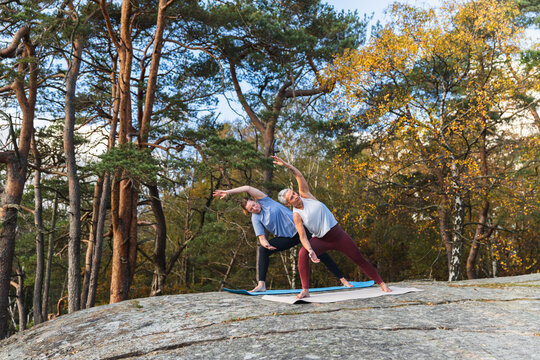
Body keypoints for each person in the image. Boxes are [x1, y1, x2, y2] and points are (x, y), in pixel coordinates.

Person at [272, 155, 391, 299]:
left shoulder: (306, 194)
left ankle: (381, 283)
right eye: (291, 198)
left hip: (338, 235)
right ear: (287, 204)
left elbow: (299, 175)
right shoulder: (296, 215)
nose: (296, 197)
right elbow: (302, 236)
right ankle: (305, 290)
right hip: (321, 240)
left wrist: (286, 165)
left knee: (358, 258)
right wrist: (310, 250)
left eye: (294, 193)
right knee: (303, 253)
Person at [213, 185, 352, 292]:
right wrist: (266, 244)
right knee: (263, 250)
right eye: (251, 209)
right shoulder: (255, 218)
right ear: (249, 212)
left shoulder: (265, 200)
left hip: (301, 230)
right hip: (286, 238)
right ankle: (261, 284)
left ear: (255, 200)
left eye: (254, 205)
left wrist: (229, 192)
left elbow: (247, 188)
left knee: (319, 252)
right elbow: (261, 237)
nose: (255, 208)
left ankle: (343, 279)